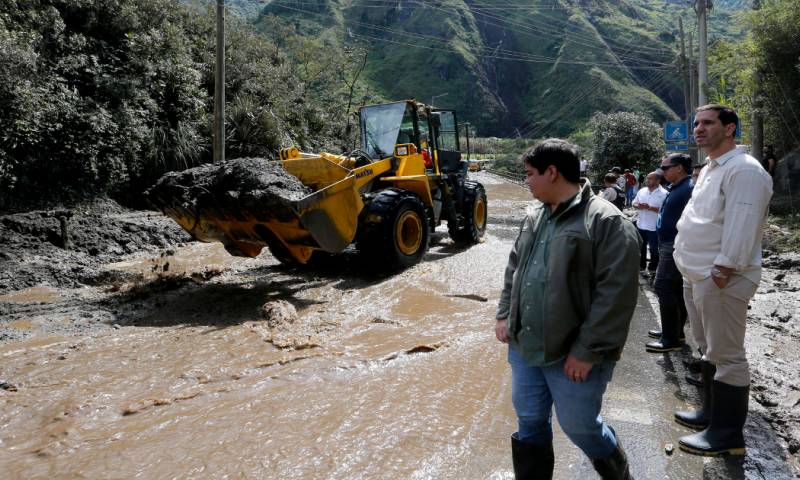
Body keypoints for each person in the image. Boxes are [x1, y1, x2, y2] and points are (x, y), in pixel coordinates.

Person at [495, 139, 640, 479]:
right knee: (529, 422)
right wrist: (504, 314)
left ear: (552, 172)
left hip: (572, 351)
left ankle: (619, 472)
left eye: (530, 174)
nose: (526, 181)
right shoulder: (534, 216)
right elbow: (514, 269)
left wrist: (588, 350)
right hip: (525, 345)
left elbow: (616, 296)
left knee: (580, 428)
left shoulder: (606, 221)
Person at [672, 105, 773, 456]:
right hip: (697, 274)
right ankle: (710, 415)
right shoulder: (712, 168)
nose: (699, 129)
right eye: (696, 123)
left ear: (729, 128)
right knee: (707, 347)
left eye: (708, 123)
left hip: (721, 279)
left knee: (728, 355)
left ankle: (727, 435)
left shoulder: (745, 171)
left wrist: (722, 271)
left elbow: (742, 226)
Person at [644, 154, 693, 354]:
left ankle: (670, 338)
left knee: (663, 286)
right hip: (668, 242)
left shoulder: (688, 189)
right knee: (674, 287)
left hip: (674, 244)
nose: (662, 172)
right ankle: (674, 331)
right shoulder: (678, 187)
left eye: (665, 168)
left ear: (679, 168)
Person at [632, 172, 667, 278]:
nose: (647, 181)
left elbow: (664, 211)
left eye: (650, 179)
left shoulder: (664, 194)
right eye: (647, 178)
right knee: (640, 248)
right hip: (640, 225)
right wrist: (638, 206)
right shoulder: (642, 191)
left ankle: (652, 269)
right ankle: (641, 267)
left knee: (654, 250)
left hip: (654, 227)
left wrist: (649, 207)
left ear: (658, 181)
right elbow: (633, 203)